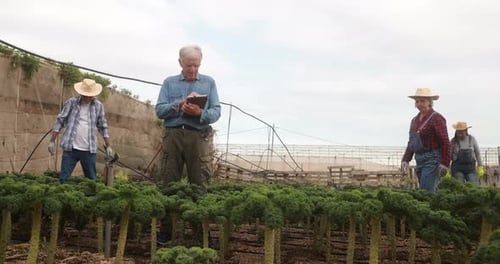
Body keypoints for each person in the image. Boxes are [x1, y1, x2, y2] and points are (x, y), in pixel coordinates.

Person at [155, 44, 221, 188]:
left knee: (200, 182)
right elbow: (159, 110)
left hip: (198, 136)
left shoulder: (209, 83)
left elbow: (216, 111)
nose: (192, 70)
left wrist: (199, 113)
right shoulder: (169, 82)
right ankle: (169, 209)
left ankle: (198, 209)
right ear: (180, 63)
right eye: (188, 66)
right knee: (168, 181)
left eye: (196, 66)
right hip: (173, 136)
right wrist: (179, 105)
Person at [48, 78, 112, 183]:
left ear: (93, 95)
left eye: (89, 96)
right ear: (81, 93)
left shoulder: (98, 106)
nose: (87, 98)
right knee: (63, 179)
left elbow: (103, 126)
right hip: (70, 148)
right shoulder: (71, 103)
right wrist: (52, 141)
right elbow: (60, 121)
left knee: (91, 180)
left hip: (89, 149)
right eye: (85, 95)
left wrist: (108, 145)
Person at [400, 88, 450, 192]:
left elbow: (445, 141)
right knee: (426, 189)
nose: (419, 104)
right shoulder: (414, 121)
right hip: (419, 158)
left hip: (433, 158)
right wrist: (405, 159)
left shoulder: (436, 118)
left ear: (430, 102)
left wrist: (445, 163)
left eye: (422, 101)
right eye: (417, 101)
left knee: (426, 191)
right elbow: (412, 142)